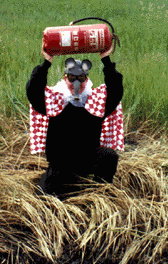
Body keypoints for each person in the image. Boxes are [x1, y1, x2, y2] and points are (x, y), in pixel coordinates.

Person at [26, 42, 124, 199]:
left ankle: (101, 194)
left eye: (81, 78)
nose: (76, 83)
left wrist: (106, 59)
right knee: (45, 197)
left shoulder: (96, 101)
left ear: (87, 79)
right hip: (61, 160)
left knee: (109, 156)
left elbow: (116, 89)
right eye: (72, 78)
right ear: (65, 78)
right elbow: (34, 91)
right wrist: (46, 62)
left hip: (87, 158)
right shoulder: (55, 101)